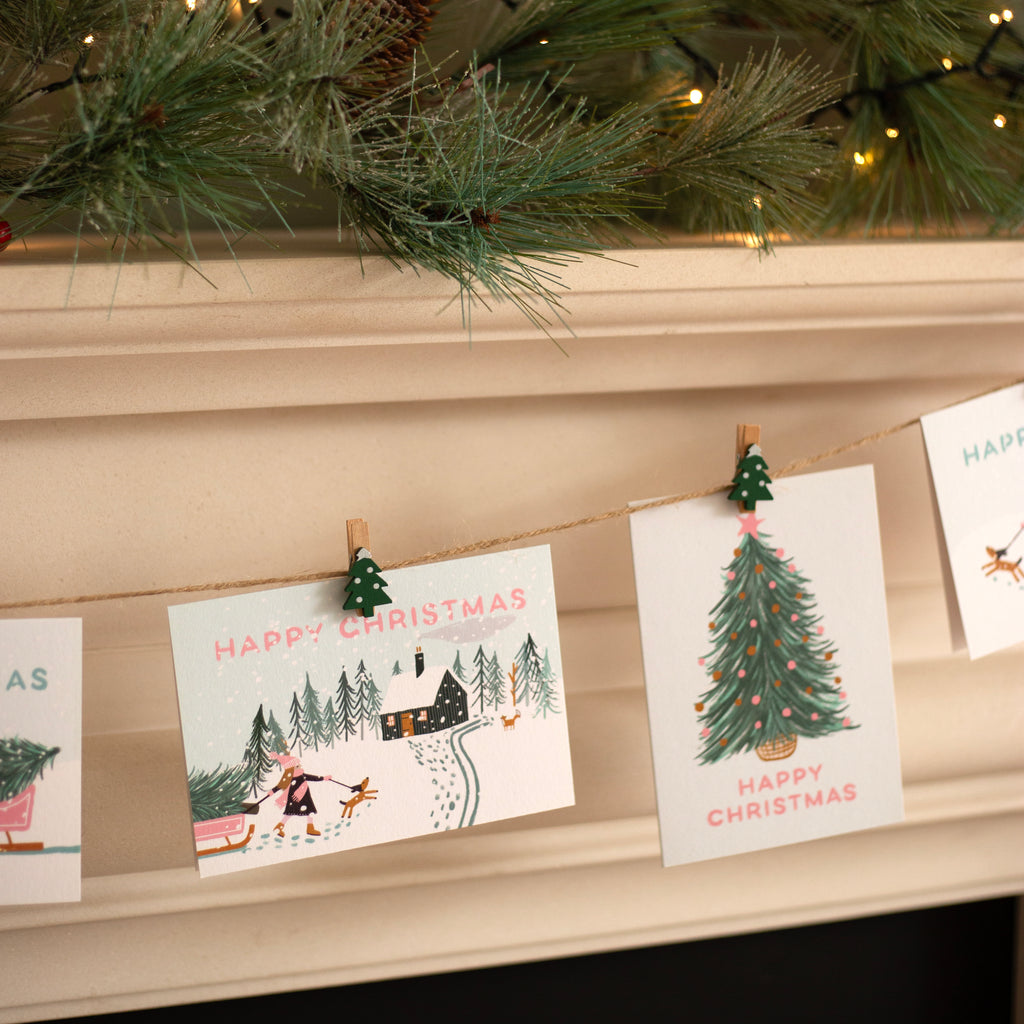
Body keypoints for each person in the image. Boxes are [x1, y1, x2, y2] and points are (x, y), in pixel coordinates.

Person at [269, 750, 331, 838]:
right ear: (291, 769)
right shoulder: (291, 778)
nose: (300, 767)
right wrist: (272, 791)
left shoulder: (301, 775)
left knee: (299, 813)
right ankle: (280, 827)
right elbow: (281, 785)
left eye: (299, 765)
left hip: (302, 798)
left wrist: (323, 778)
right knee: (300, 812)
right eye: (297, 766)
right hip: (296, 798)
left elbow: (313, 777)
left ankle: (308, 828)